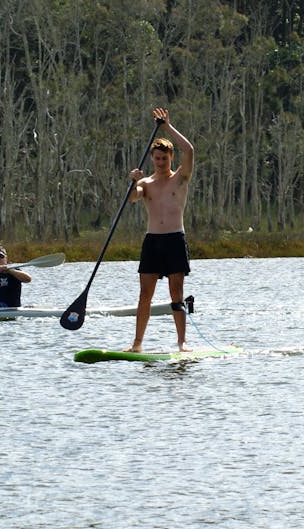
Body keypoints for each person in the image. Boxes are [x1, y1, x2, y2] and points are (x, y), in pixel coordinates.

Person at [124, 107, 194, 353]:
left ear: (170, 158)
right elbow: (133, 198)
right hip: (152, 241)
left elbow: (189, 150)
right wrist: (133, 180)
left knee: (177, 292)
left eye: (164, 158)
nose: (161, 162)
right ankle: (137, 343)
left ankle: (182, 342)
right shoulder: (146, 183)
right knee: (145, 295)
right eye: (157, 158)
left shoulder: (180, 178)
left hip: (175, 239)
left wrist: (167, 127)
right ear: (152, 158)